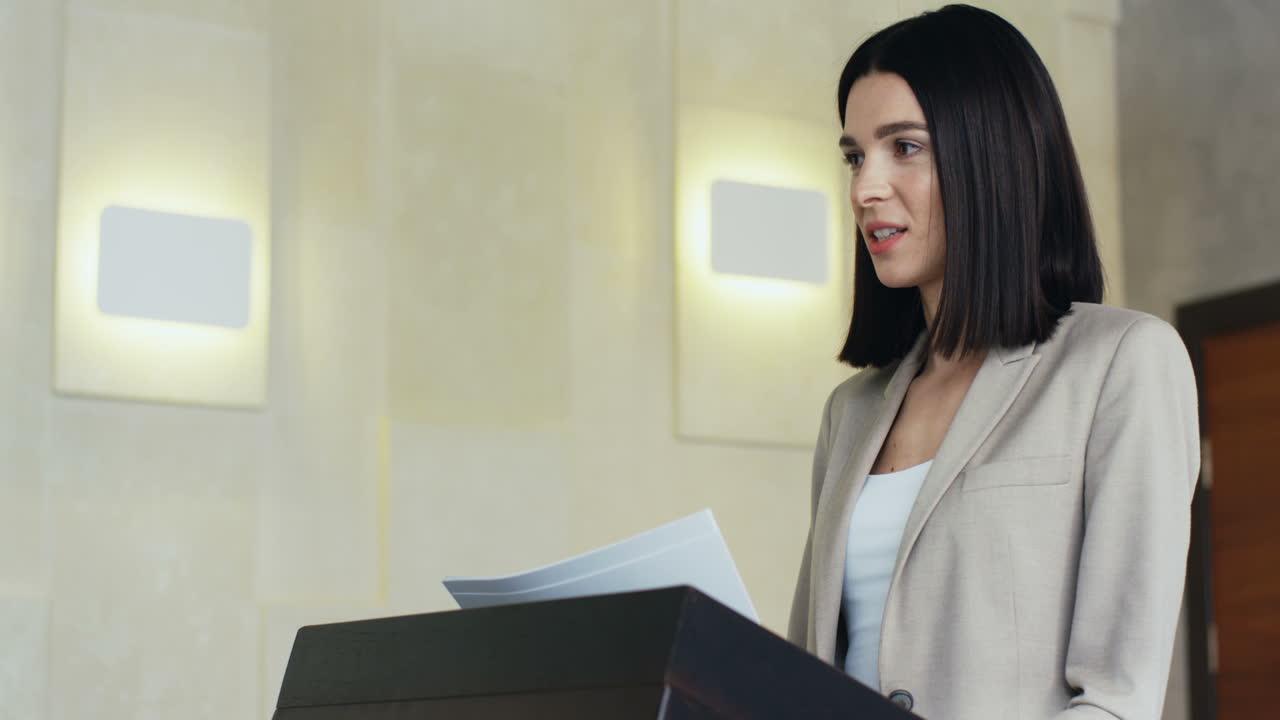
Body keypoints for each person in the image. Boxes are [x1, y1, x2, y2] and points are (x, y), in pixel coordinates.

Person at [787, 5, 1199, 719]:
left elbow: (1116, 699)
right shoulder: (849, 413)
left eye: (904, 148)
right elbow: (805, 674)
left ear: (993, 157)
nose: (864, 189)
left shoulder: (1121, 363)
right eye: (855, 156)